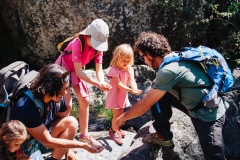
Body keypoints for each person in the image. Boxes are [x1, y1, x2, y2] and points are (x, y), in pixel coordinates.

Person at [116, 31, 229, 160]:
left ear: (150, 54)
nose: (144, 61)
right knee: (157, 93)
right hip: (198, 104)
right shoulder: (176, 57)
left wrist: (122, 118)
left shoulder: (168, 71)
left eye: (142, 57)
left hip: (208, 115)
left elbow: (144, 106)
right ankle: (163, 136)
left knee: (215, 157)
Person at [10, 64, 104, 160]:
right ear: (50, 86)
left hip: (43, 137)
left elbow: (61, 122)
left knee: (71, 122)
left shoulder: (56, 98)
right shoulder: (26, 107)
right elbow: (47, 141)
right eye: (63, 88)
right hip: (24, 144)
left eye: (66, 88)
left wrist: (68, 150)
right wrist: (83, 145)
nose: (65, 93)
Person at [55, 18, 112, 148]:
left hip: (75, 70)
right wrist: (97, 84)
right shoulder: (77, 43)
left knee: (85, 100)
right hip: (62, 70)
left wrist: (102, 82)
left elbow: (99, 69)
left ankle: (84, 136)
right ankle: (61, 136)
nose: (98, 45)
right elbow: (80, 72)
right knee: (67, 106)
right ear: (88, 35)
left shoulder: (98, 49)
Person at [105, 44, 142, 145]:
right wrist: (130, 90)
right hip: (115, 95)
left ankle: (116, 128)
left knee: (121, 115)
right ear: (117, 58)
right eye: (123, 60)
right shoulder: (113, 70)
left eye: (127, 61)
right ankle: (113, 131)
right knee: (117, 115)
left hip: (122, 96)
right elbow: (118, 84)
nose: (126, 63)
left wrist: (135, 89)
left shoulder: (129, 69)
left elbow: (132, 80)